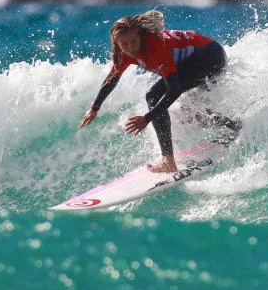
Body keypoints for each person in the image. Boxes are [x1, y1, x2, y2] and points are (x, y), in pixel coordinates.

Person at [79, 10, 241, 173]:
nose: (131, 48)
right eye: (125, 44)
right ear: (117, 43)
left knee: (153, 96)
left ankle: (168, 161)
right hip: (193, 60)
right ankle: (233, 126)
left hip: (209, 56)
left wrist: (147, 118)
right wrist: (94, 109)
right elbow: (111, 80)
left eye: (134, 41)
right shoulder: (124, 53)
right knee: (188, 113)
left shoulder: (155, 47)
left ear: (141, 36)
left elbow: (174, 89)